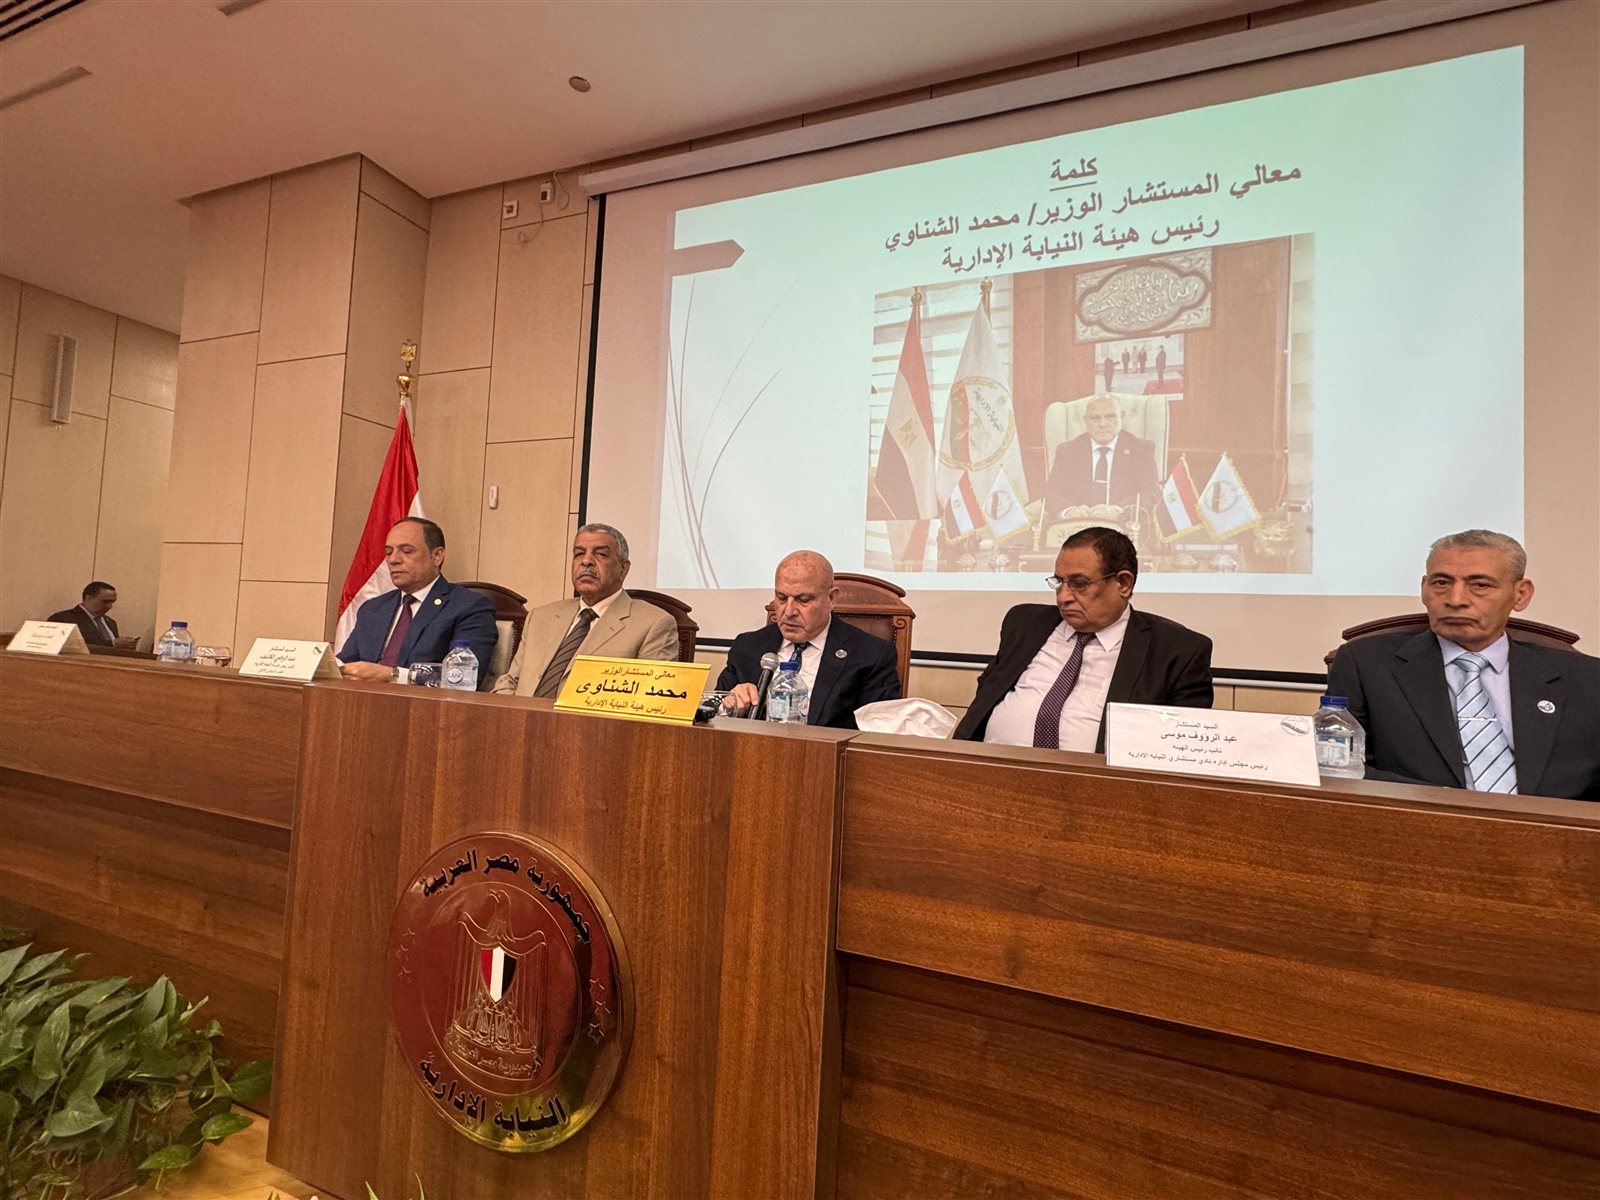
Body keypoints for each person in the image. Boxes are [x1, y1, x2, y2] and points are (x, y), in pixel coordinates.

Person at [1327, 530, 1600, 800]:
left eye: (1480, 585)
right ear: (1423, 588)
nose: (1455, 600)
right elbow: (1338, 766)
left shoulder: (1586, 677)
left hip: (1552, 825)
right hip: (1420, 819)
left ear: (1521, 594)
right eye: (1441, 583)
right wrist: (1447, 804)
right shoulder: (1366, 664)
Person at [955, 526, 1212, 752]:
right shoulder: (1024, 623)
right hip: (986, 775)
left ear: (1123, 583)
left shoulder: (1176, 652)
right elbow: (988, 692)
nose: (1063, 597)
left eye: (1079, 584)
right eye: (1059, 582)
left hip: (1097, 788)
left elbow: (1181, 752)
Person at [717, 550, 901, 728]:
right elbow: (711, 710)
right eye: (781, 598)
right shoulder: (747, 647)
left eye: (803, 600)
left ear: (831, 598)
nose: (789, 611)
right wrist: (728, 706)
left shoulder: (871, 655)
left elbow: (878, 732)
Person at [493, 523, 679, 698]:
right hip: (521, 719)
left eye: (601, 554)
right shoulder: (540, 617)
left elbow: (649, 702)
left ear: (623, 569)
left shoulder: (653, 624)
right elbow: (511, 681)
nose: (586, 561)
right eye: (579, 554)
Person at [337, 518, 497, 683]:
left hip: (423, 700)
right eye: (389, 552)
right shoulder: (373, 608)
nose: (393, 560)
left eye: (406, 551)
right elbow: (345, 665)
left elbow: (464, 677)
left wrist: (393, 675)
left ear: (437, 556)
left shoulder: (469, 607)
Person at [1041, 395, 1161, 516]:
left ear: (1121, 417)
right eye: (1095, 418)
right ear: (1086, 420)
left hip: (1122, 522)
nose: (1103, 424)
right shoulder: (1068, 450)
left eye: (1110, 416)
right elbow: (1051, 492)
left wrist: (1119, 510)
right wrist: (1069, 511)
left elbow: (1152, 492)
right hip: (1080, 523)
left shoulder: (1141, 449)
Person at [49, 581, 126, 648]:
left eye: (112, 602)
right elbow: (70, 647)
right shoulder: (62, 619)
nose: (110, 606)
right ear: (88, 598)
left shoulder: (111, 622)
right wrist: (112, 644)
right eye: (105, 601)